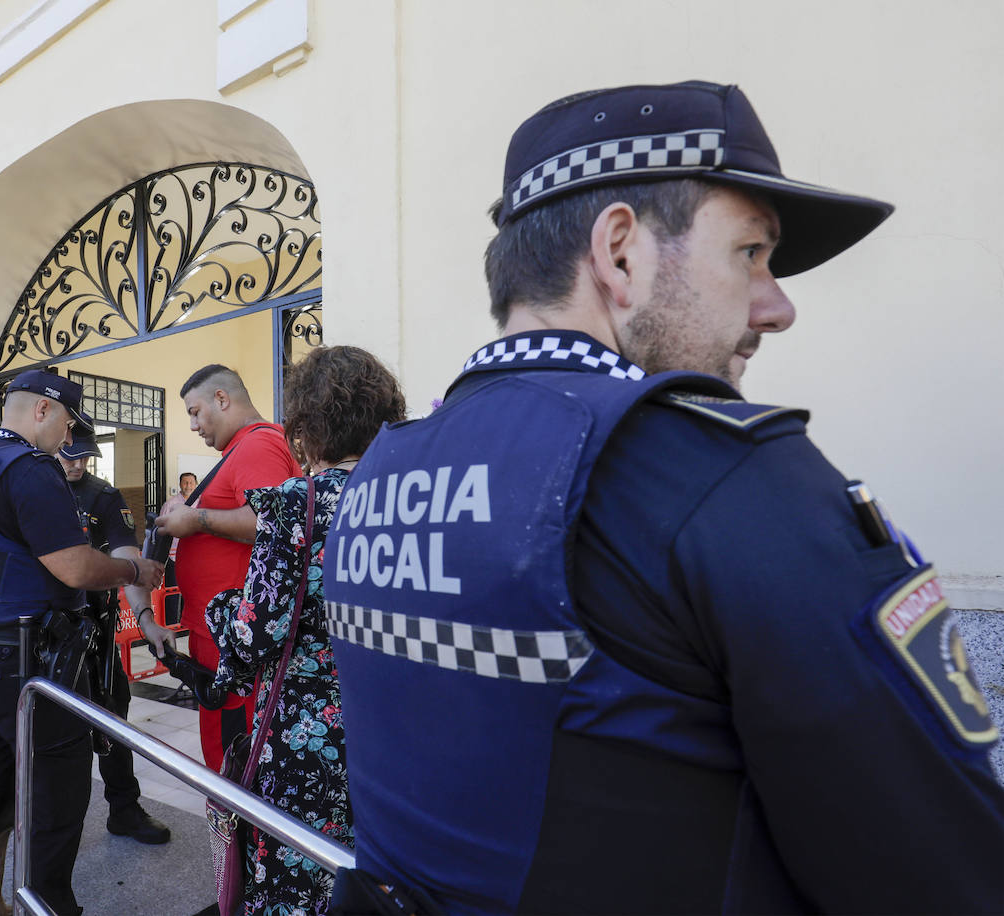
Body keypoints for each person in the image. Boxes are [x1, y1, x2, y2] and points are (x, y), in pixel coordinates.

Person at [324, 80, 1004, 914]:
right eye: (750, 252)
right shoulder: (720, 476)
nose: (777, 305)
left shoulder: (377, 476)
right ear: (620, 254)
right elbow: (941, 870)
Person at [0, 369, 164, 916]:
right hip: (27, 662)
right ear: (42, 411)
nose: (69, 438)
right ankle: (51, 907)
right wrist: (134, 572)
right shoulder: (30, 470)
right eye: (67, 423)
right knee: (56, 799)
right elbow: (77, 568)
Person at [207, 346, 404, 916]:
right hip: (391, 733)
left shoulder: (300, 505)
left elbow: (253, 638)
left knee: (301, 880)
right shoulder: (409, 500)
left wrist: (223, 607)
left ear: (305, 428)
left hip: (305, 737)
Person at [152, 365, 302, 771]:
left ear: (223, 398)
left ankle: (240, 836)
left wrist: (195, 520)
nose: (194, 424)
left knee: (235, 764)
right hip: (223, 644)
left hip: (237, 648)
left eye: (196, 411)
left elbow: (271, 523)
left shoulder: (258, 446)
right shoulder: (241, 449)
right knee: (224, 757)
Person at [56, 428, 171, 845]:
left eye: (84, 457)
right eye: (69, 456)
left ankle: (123, 808)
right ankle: (53, 825)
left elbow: (127, 556)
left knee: (113, 720)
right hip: (45, 631)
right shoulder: (35, 489)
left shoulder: (102, 496)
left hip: (95, 630)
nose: (76, 465)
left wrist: (145, 617)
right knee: (53, 729)